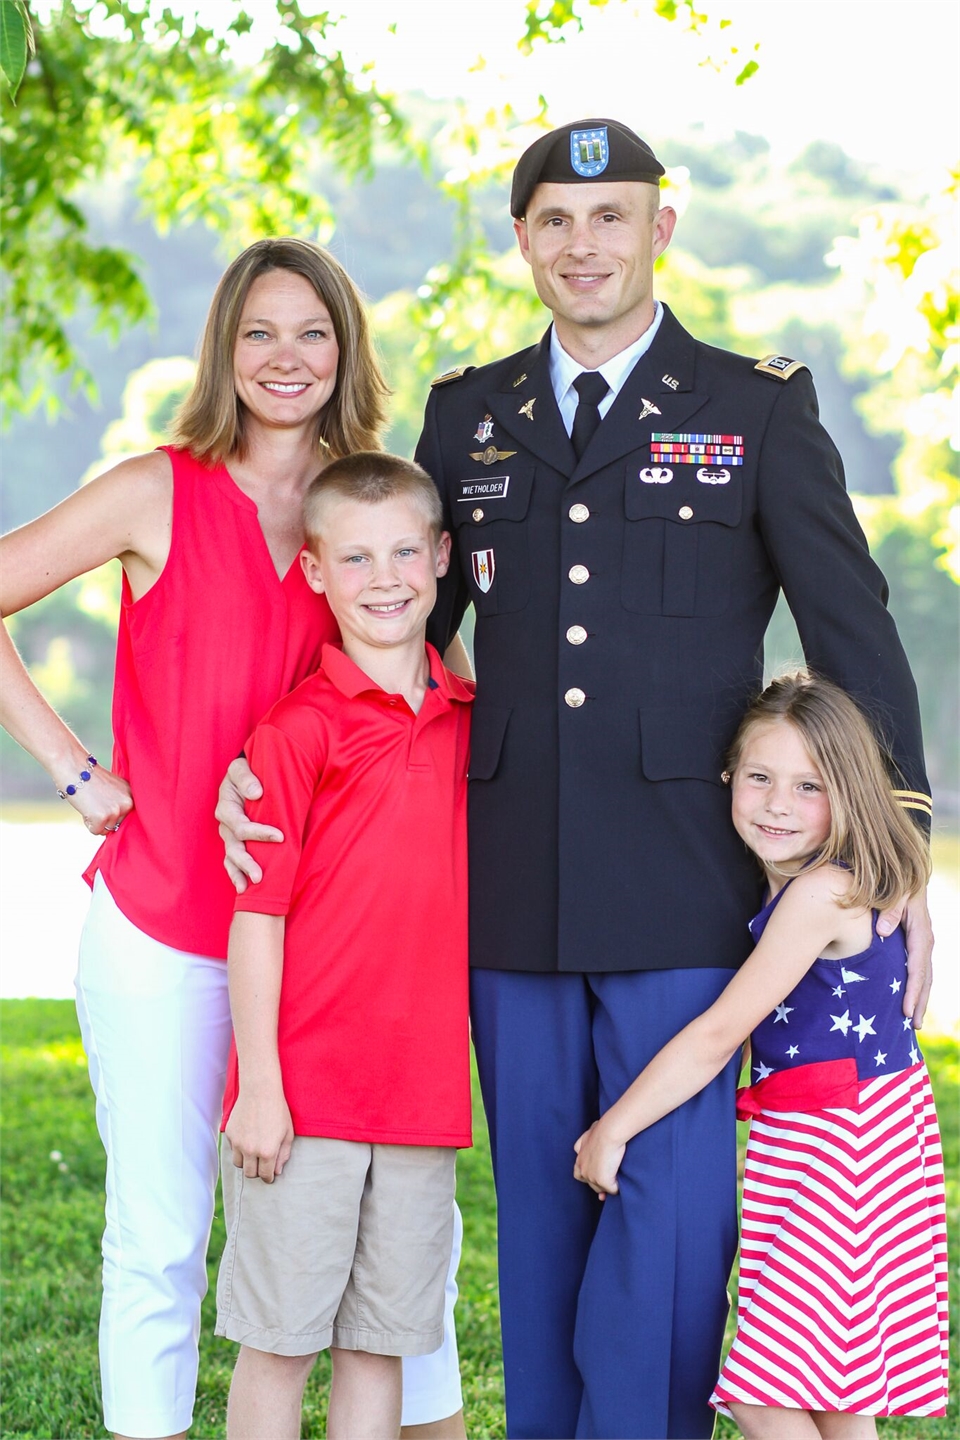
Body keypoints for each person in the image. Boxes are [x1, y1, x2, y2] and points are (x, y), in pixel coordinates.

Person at [219, 122, 934, 1439]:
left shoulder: (754, 406)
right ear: (525, 241)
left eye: (611, 216)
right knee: (543, 1222)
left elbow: (852, 626)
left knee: (665, 1221)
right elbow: (400, 634)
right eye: (555, 219)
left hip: (688, 896)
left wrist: (893, 844)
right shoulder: (468, 413)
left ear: (661, 229)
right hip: (515, 895)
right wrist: (261, 770)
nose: (583, 244)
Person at [0, 239, 466, 1440]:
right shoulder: (155, 487)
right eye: (259, 332)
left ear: (344, 349)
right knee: (160, 1234)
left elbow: (427, 692)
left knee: (377, 1234)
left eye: (312, 332)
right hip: (163, 922)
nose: (286, 357)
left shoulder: (361, 510)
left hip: (321, 959)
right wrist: (73, 769)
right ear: (225, 348)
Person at [574, 671, 948, 1437]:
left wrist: (612, 1127)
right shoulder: (865, 875)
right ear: (728, 778)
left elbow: (719, 1035)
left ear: (850, 792)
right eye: (759, 778)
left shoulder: (818, 897)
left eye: (808, 786)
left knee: (761, 1389)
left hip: (834, 1156)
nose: (778, 803)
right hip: (871, 1139)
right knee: (834, 1393)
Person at [215, 453, 474, 1439]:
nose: (386, 578)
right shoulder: (296, 730)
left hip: (419, 1094)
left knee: (380, 1344)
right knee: (280, 1341)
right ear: (316, 572)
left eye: (406, 551)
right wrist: (262, 1089)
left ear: (443, 556)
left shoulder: (469, 722)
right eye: (356, 558)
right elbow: (257, 918)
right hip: (304, 1096)